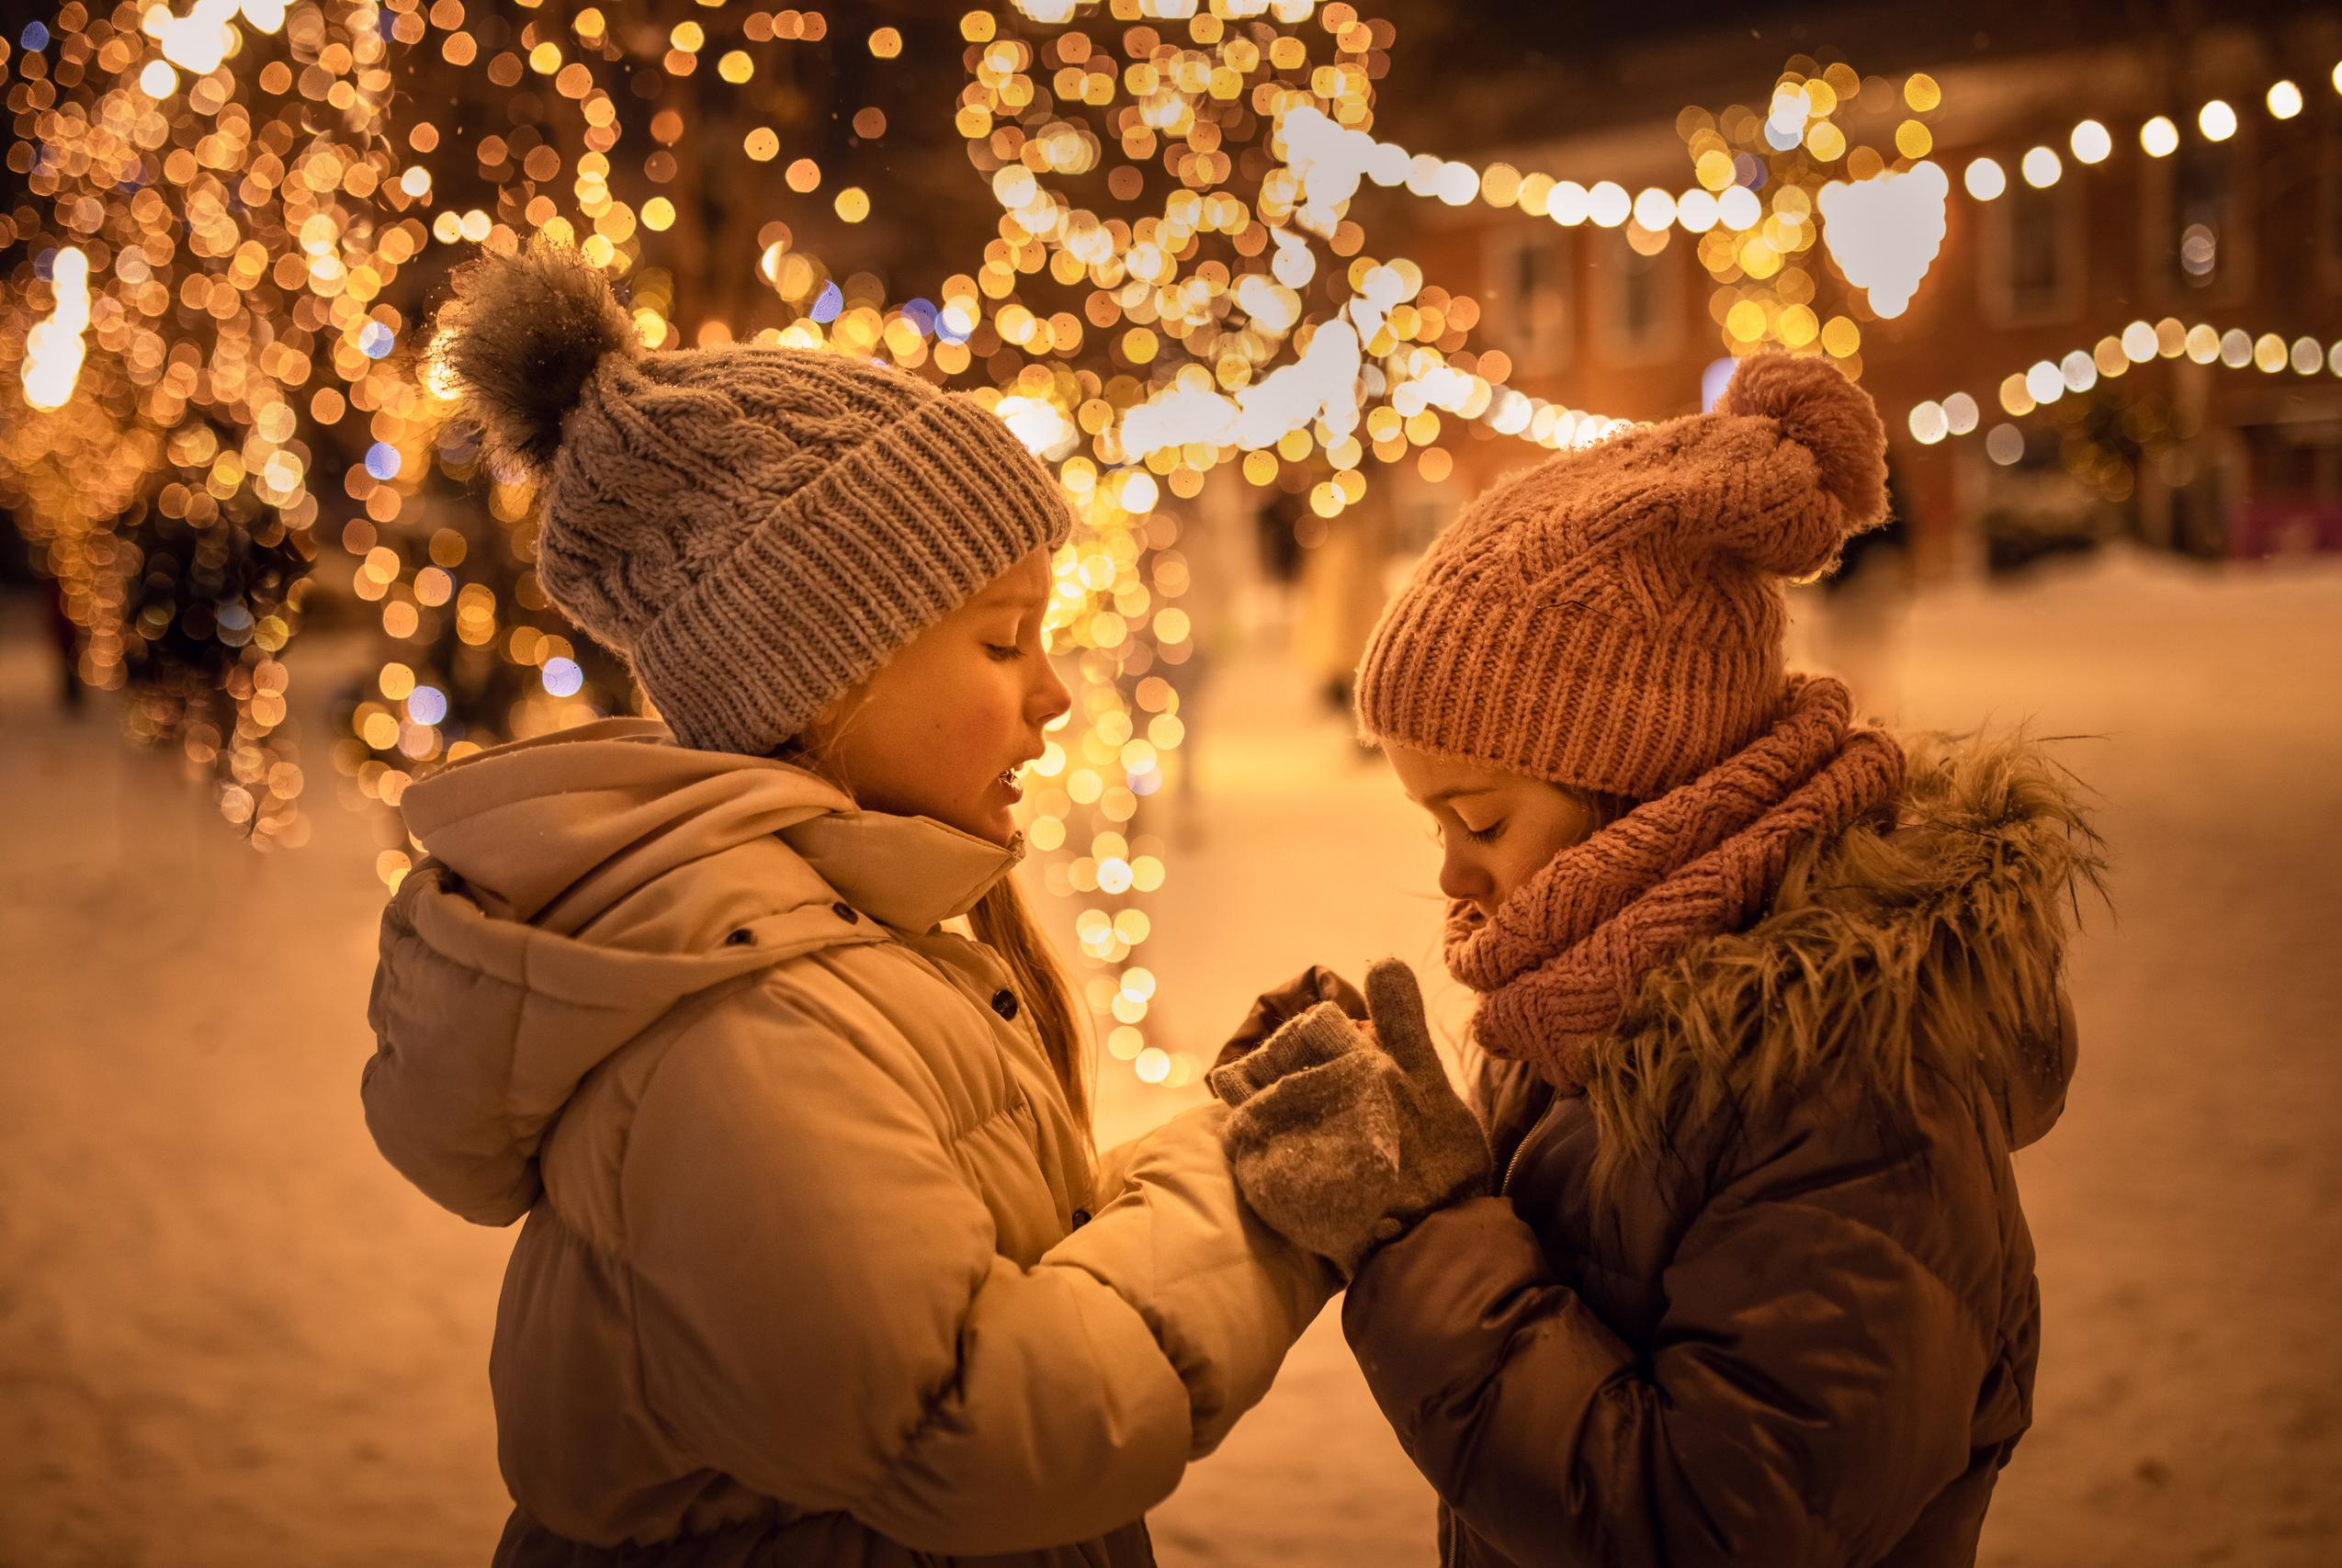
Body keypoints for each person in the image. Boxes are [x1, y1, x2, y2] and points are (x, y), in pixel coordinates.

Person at [361, 240, 1333, 1567]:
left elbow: (969, 1269)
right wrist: (1261, 1192)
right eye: (1002, 640)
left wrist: (1225, 1133)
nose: (1050, 695)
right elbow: (978, 1431)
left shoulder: (844, 944)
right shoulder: (744, 1030)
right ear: (817, 672)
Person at [1209, 354, 2099, 1567]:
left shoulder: (1845, 1087)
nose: (1456, 880)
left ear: (1648, 797)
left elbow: (1705, 1524)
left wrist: (1418, 1231)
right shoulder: (1604, 981)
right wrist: (1411, 1145)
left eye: (1479, 821)